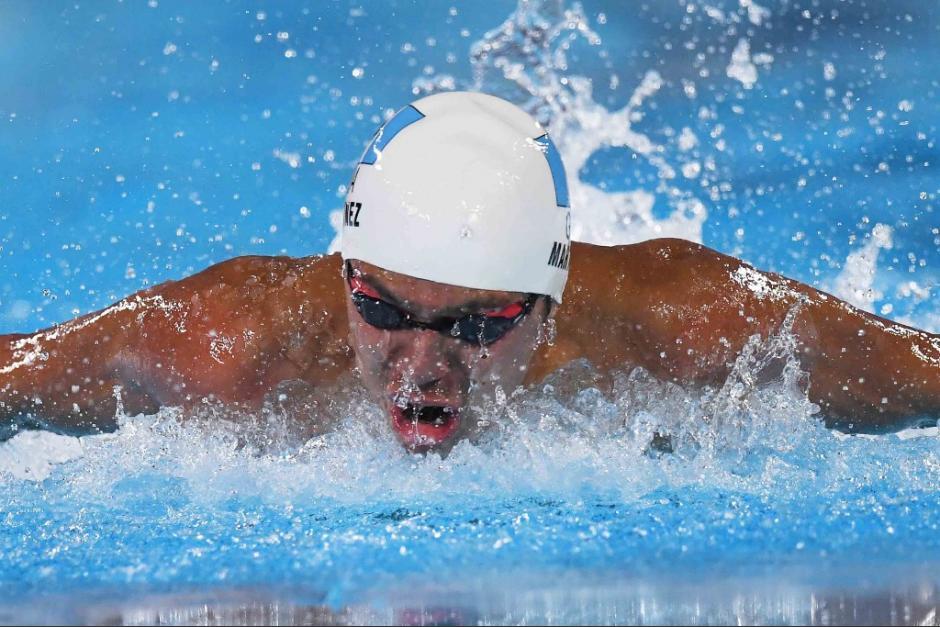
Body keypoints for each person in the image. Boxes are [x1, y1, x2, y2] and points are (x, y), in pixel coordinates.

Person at [1, 92, 937, 451]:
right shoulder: (221, 348)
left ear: (545, 309)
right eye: (384, 308)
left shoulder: (692, 331)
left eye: (477, 326)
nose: (420, 364)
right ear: (349, 276)